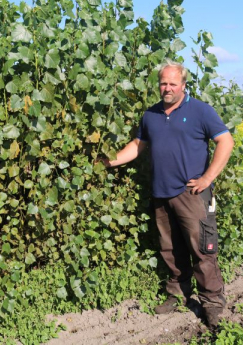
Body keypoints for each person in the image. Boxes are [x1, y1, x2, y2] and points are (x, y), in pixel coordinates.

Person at [100, 60, 234, 328]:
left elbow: (225, 141)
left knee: (202, 249)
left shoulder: (200, 111)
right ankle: (178, 293)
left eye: (173, 83)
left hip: (192, 193)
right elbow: (137, 146)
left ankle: (212, 303)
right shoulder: (151, 115)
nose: (168, 88)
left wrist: (207, 178)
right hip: (161, 193)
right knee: (170, 248)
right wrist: (108, 161)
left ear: (183, 85)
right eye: (163, 83)